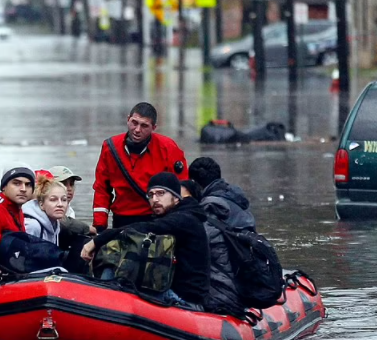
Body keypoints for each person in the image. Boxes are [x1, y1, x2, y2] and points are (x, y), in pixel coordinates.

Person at [81, 172, 210, 310]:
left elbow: (140, 228)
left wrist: (96, 241)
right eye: (151, 195)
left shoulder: (185, 219)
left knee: (114, 270)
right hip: (173, 293)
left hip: (185, 301)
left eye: (161, 193)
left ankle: (100, 306)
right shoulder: (177, 216)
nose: (155, 199)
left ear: (176, 197)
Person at [92, 102, 188, 232]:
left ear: (154, 127)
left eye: (144, 126)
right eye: (134, 123)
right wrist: (100, 226)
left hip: (157, 218)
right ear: (128, 119)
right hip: (122, 219)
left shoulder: (168, 148)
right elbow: (102, 189)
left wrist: (180, 222)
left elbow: (182, 188)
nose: (137, 130)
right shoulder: (110, 147)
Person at [188, 157, 255, 315]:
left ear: (194, 182)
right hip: (245, 273)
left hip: (227, 284)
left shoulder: (212, 206)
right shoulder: (234, 197)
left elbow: (200, 245)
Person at [48, 166, 96, 246]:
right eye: (63, 184)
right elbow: (61, 223)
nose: (69, 188)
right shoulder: (44, 206)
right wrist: (86, 228)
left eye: (71, 184)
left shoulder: (70, 211)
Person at [23, 175, 69, 245]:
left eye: (64, 200)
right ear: (41, 204)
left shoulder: (55, 223)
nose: (60, 204)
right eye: (53, 200)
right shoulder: (32, 226)